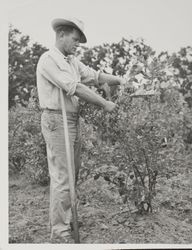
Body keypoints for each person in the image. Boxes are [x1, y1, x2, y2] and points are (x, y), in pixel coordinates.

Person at [36, 17, 126, 243]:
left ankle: (66, 219)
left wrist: (121, 80)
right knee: (62, 178)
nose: (78, 45)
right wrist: (105, 104)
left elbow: (94, 77)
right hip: (57, 120)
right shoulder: (49, 60)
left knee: (71, 175)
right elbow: (75, 87)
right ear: (62, 34)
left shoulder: (71, 61)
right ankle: (60, 231)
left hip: (71, 120)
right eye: (75, 40)